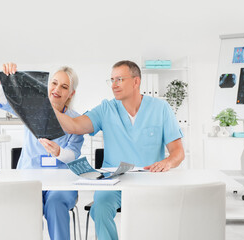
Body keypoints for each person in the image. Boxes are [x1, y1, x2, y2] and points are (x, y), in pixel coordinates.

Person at [52, 60, 185, 240]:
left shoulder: (160, 109)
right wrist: (50, 109)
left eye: (119, 79)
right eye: (112, 80)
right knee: (99, 210)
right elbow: (75, 126)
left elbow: (178, 152)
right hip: (113, 182)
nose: (114, 85)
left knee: (162, 216)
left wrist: (167, 162)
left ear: (136, 82)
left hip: (149, 181)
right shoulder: (106, 109)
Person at [0, 63, 84, 240]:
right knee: (27, 204)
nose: (57, 89)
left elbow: (73, 154)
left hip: (61, 183)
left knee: (55, 203)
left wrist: (59, 152)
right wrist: (2, 80)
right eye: (54, 83)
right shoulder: (32, 107)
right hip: (30, 177)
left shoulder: (75, 120)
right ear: (47, 85)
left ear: (70, 94)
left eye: (64, 87)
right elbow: (2, 101)